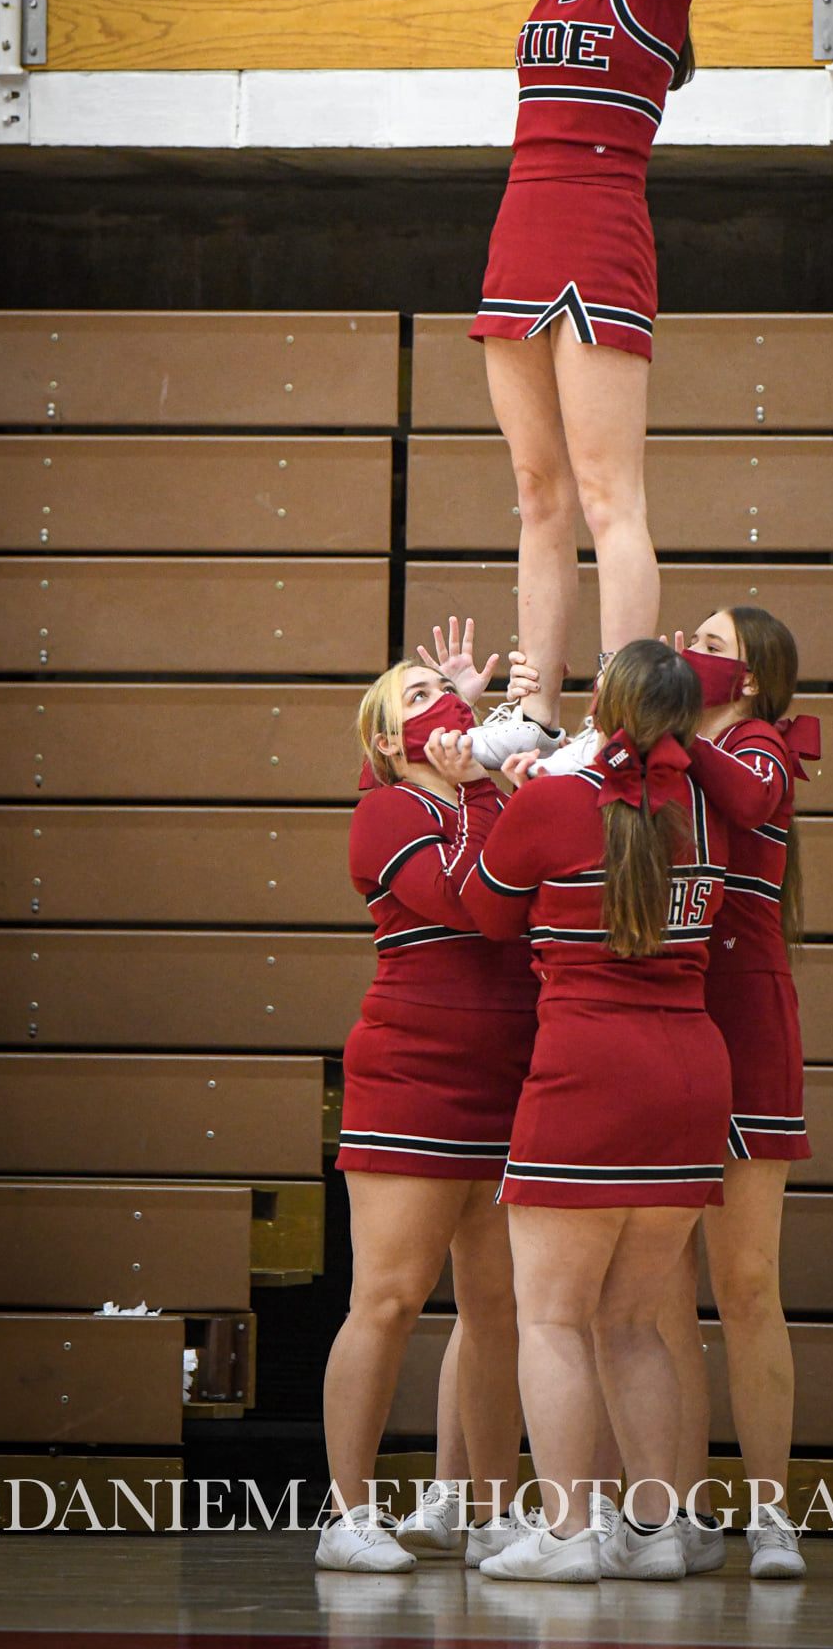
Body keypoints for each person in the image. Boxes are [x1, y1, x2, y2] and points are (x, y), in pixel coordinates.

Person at [465, 0, 762, 760]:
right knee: (536, 490)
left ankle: (622, 712)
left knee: (604, 492)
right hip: (518, 224)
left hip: (599, 224)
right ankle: (533, 704)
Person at [456, 640, 733, 1583]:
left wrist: (508, 792)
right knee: (634, 1323)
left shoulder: (553, 800)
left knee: (553, 1321)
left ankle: (567, 1534)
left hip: (586, 1071)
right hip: (693, 1071)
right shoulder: (705, 802)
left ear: (603, 703)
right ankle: (654, 1536)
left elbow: (487, 914)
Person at [315, 662, 537, 1574]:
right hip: (412, 1076)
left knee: (499, 1311)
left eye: (447, 698)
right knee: (391, 1297)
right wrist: (485, 791)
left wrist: (510, 730)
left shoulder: (490, 797)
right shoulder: (387, 812)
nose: (443, 708)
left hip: (514, 1077)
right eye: (414, 699)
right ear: (382, 744)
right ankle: (348, 1515)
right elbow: (477, 908)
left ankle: (489, 1512)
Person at [658, 607, 818, 1581]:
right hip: (663, 1017)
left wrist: (673, 730)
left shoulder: (761, 741)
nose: (692, 647)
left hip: (748, 1021)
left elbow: (751, 803)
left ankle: (771, 1512)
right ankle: (676, 1506)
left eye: (712, 638)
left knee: (748, 1281)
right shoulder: (662, 748)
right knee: (662, 1289)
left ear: (754, 674)